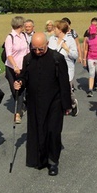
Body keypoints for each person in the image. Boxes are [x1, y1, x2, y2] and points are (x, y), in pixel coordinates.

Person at [13, 33, 72, 176]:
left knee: (52, 131)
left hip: (54, 102)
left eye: (41, 49)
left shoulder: (57, 58)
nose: (38, 52)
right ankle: (39, 159)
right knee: (38, 130)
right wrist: (19, 82)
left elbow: (64, 84)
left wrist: (67, 105)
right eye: (35, 49)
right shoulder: (28, 59)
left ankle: (52, 162)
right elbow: (24, 76)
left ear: (47, 44)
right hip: (34, 102)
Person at [48, 20, 79, 116]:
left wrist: (67, 49)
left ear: (60, 30)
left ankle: (73, 103)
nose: (54, 30)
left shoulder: (70, 40)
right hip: (53, 70)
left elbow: (75, 56)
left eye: (55, 28)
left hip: (67, 69)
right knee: (55, 90)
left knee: (67, 90)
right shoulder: (52, 39)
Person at [4, 16, 30, 124]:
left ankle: (17, 113)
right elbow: (9, 54)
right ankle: (20, 106)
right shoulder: (10, 37)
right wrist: (14, 66)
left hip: (22, 67)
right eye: (23, 24)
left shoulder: (24, 36)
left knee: (20, 89)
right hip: (11, 68)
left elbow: (27, 50)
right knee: (14, 90)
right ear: (20, 25)